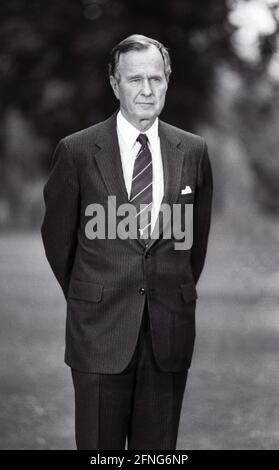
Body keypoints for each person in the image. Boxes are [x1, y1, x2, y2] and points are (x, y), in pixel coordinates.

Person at [41, 34, 213, 450]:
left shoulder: (193, 151)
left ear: (168, 81)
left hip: (167, 334)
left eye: (156, 78)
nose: (147, 90)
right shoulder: (78, 151)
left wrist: (167, 289)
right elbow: (58, 240)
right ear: (115, 85)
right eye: (135, 79)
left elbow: (195, 243)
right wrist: (91, 294)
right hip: (99, 333)